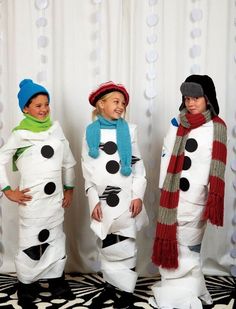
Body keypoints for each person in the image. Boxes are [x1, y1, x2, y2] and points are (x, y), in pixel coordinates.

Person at [151, 74, 227, 309]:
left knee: (189, 247)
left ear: (207, 99)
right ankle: (174, 291)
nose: (191, 103)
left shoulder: (216, 127)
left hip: (197, 197)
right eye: (187, 98)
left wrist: (211, 195)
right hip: (172, 200)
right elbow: (166, 157)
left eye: (196, 97)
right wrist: (165, 188)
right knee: (172, 242)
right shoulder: (177, 124)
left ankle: (187, 293)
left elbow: (217, 165)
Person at [0, 79, 76, 308]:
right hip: (32, 202)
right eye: (38, 105)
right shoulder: (20, 134)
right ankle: (27, 283)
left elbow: (68, 162)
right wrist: (7, 191)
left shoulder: (56, 130)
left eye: (46, 104)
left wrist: (69, 188)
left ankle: (56, 281)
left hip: (54, 201)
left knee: (55, 238)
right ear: (26, 108)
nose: (44, 110)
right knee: (30, 241)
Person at [81, 81, 149, 308]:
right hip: (102, 200)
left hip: (127, 198)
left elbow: (137, 165)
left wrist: (138, 194)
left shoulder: (129, 131)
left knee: (126, 244)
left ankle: (127, 291)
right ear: (101, 104)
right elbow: (87, 171)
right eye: (116, 101)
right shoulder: (90, 133)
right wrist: (93, 201)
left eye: (123, 103)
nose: (121, 106)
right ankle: (110, 286)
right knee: (108, 244)